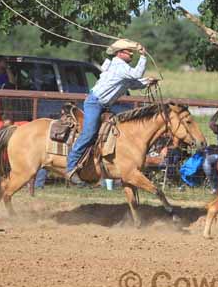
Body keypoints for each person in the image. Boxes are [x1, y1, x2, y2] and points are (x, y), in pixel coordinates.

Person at [65, 38, 156, 182]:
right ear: (120, 53)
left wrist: (147, 81)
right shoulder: (119, 65)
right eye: (129, 52)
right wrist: (143, 57)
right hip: (95, 103)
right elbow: (136, 75)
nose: (132, 55)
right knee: (89, 133)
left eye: (133, 53)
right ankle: (70, 168)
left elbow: (133, 84)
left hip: (102, 105)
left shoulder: (121, 68)